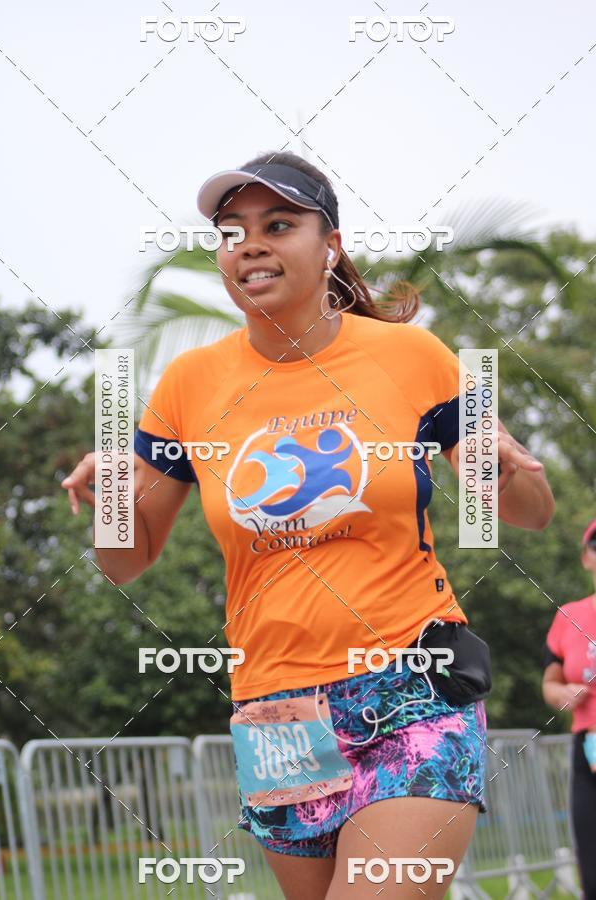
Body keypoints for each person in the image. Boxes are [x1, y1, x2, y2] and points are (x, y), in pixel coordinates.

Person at [62, 150, 555, 899]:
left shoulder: (412, 356)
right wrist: (112, 507)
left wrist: (505, 471)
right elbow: (124, 561)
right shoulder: (189, 385)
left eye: (278, 224)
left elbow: (525, 515)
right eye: (233, 232)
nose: (249, 244)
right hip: (276, 712)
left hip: (411, 684)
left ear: (330, 245)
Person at [542, 520, 596, 900]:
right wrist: (561, 692)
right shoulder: (569, 616)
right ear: (586, 558)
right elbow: (549, 683)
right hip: (589, 746)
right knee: (592, 869)